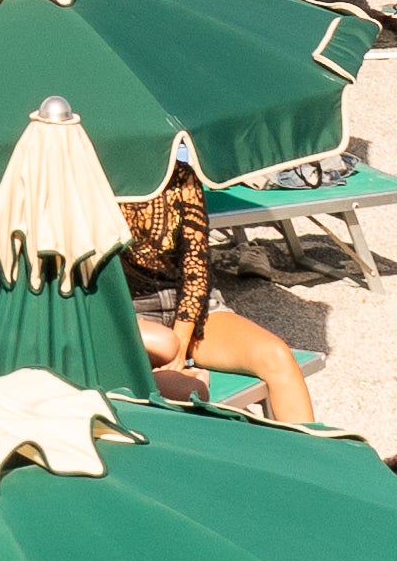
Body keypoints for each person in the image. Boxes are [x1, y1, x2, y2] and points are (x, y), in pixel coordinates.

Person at [117, 163, 314, 422]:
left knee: (277, 356)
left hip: (194, 308)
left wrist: (180, 345)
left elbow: (196, 268)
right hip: (133, 316)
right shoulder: (90, 181)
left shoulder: (179, 176)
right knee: (180, 381)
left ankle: (313, 458)